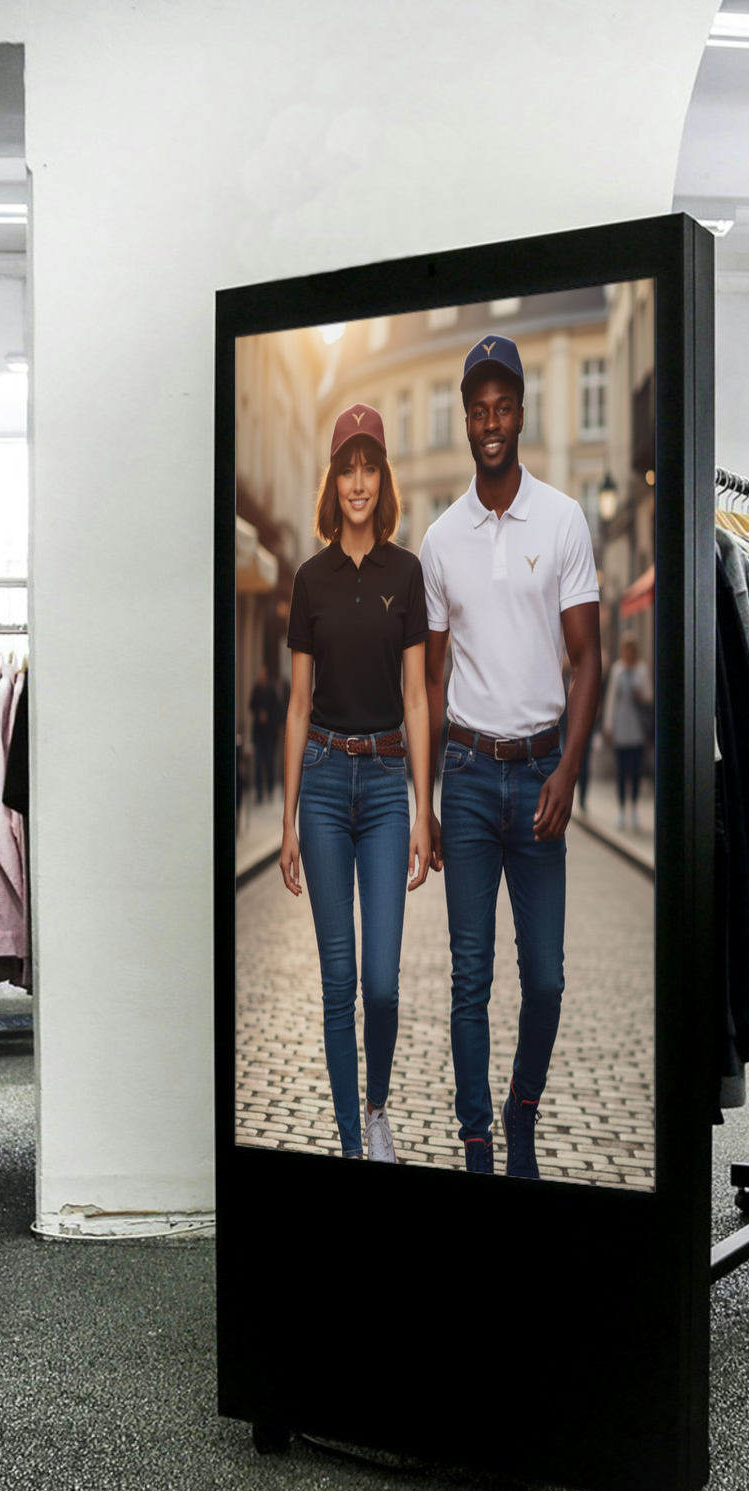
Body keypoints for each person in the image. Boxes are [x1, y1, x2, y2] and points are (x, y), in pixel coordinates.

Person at [422, 334, 602, 1178]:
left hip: (537, 778)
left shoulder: (563, 520)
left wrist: (568, 770)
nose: (490, 422)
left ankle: (521, 1103)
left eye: (503, 407)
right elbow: (429, 679)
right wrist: (424, 799)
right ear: (466, 420)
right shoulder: (440, 539)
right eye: (478, 409)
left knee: (548, 980)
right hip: (463, 775)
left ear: (520, 413)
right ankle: (476, 1138)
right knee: (469, 978)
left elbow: (589, 658)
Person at [277, 404, 434, 1161]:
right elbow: (298, 706)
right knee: (337, 981)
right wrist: (285, 823)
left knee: (381, 984)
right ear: (333, 478)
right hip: (324, 780)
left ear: (384, 477)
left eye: (370, 466)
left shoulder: (408, 573)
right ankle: (349, 1144)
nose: (359, 481)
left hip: (383, 788)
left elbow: (416, 697)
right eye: (348, 466)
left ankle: (378, 1109)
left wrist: (423, 809)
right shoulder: (310, 579)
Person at [602, 634, 652, 830]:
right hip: (622, 727)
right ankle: (622, 809)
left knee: (636, 771)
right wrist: (608, 725)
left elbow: (649, 696)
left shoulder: (642, 670)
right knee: (622, 771)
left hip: (637, 729)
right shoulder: (617, 670)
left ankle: (635, 809)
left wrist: (642, 696)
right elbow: (611, 700)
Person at [248, 665, 284, 801]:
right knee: (257, 763)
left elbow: (278, 711)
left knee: (269, 762)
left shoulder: (271, 691)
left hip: (269, 733)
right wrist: (259, 714)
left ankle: (269, 789)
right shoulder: (256, 690)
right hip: (258, 732)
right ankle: (259, 793)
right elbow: (251, 705)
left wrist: (268, 718)